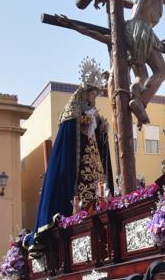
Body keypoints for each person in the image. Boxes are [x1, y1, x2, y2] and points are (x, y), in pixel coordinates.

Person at [33, 59, 113, 231]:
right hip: (79, 162)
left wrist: (102, 130)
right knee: (82, 194)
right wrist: (82, 122)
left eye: (95, 95)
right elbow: (69, 131)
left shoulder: (95, 113)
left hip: (94, 160)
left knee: (99, 191)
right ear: (85, 93)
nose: (94, 98)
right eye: (92, 94)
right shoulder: (74, 108)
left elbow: (99, 136)